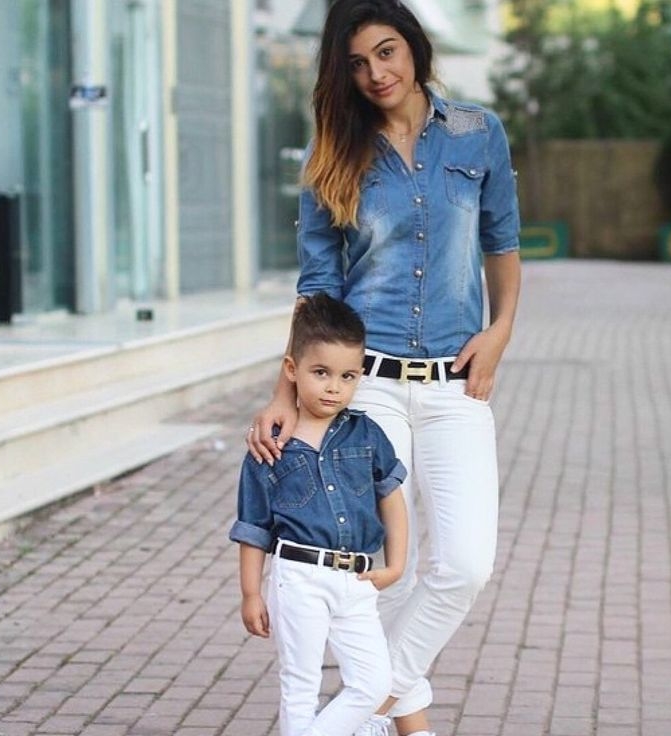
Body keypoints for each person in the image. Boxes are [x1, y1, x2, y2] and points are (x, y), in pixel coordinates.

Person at [248, 1, 522, 734]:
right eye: (358, 62)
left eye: (388, 52)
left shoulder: (477, 132)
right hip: (362, 386)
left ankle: (352, 714)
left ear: (417, 49)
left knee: (464, 564)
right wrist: (285, 391)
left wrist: (500, 331)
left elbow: (503, 243)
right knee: (372, 571)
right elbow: (318, 288)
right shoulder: (333, 152)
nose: (376, 73)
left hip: (457, 383)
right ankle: (388, 717)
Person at [230, 292, 409, 736]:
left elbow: (392, 497)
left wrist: (398, 563)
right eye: (321, 373)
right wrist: (251, 593)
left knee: (373, 683)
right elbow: (253, 528)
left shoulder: (366, 433)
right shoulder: (269, 446)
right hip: (298, 578)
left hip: (356, 580)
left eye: (348, 376)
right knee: (300, 685)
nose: (334, 387)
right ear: (292, 370)